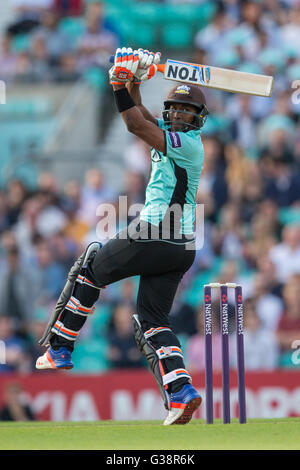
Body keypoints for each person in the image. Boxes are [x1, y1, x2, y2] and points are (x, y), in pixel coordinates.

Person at [36, 47, 209, 426]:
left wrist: (116, 82)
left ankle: (61, 348)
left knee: (91, 266)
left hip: (156, 232)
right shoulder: (171, 137)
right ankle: (182, 394)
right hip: (181, 247)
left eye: (186, 113)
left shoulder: (188, 146)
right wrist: (133, 79)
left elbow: (133, 124)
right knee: (152, 320)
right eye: (175, 111)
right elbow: (143, 114)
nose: (178, 117)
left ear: (198, 121)